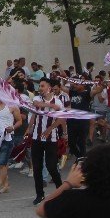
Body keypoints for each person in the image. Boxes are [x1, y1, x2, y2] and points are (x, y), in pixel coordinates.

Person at [25, 78, 65, 206]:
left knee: (51, 166)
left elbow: (61, 119)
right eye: (39, 86)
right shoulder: (37, 99)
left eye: (42, 86)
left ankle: (61, 191)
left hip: (51, 139)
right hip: (37, 138)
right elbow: (36, 110)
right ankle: (40, 194)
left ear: (49, 87)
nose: (40, 88)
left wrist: (49, 129)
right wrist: (29, 129)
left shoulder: (58, 101)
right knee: (37, 167)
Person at [0, 95, 23, 196]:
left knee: (2, 163)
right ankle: (6, 185)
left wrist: (13, 127)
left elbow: (19, 121)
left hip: (7, 138)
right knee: (3, 163)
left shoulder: (12, 106)